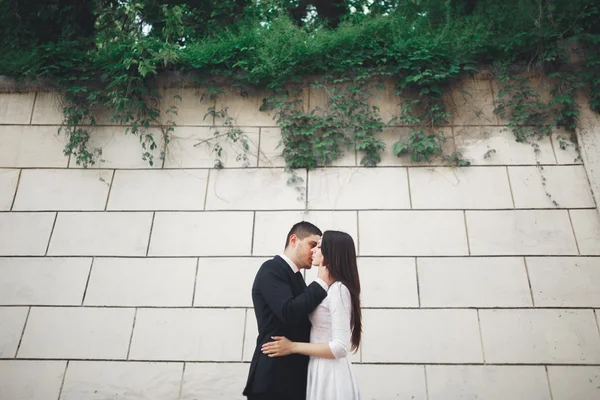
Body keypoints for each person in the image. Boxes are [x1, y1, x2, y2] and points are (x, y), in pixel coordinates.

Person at [261, 230, 362, 400]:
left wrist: (292, 346)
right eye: (313, 245)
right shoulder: (326, 288)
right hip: (318, 367)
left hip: (332, 374)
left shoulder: (338, 289)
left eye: (319, 247)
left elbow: (340, 347)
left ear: (332, 252)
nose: (313, 250)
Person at [243, 221, 333, 400]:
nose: (315, 251)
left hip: (294, 379)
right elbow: (288, 312)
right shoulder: (271, 268)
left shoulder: (296, 278)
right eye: (312, 245)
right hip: (273, 379)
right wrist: (322, 282)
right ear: (294, 240)